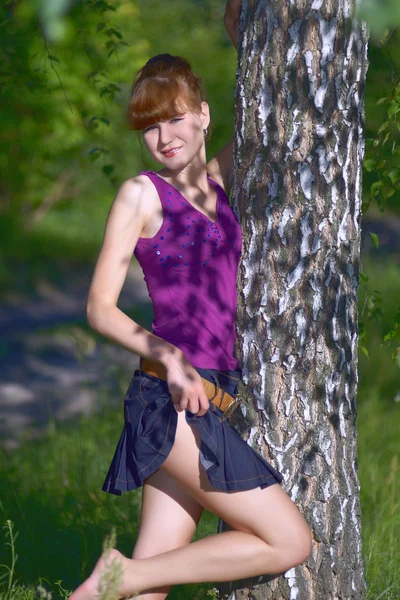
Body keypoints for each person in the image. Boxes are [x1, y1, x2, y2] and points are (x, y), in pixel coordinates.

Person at [70, 2, 311, 599]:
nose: (164, 137)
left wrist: (243, 33)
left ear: (202, 115)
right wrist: (173, 360)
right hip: (171, 396)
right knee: (289, 541)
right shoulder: (140, 195)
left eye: (175, 119)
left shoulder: (220, 185)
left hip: (213, 394)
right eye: (150, 126)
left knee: (147, 594)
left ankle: (119, 582)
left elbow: (265, 106)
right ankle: (115, 574)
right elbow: (100, 307)